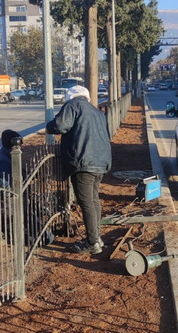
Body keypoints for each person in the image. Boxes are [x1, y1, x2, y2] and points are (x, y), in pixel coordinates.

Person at [46, 85, 112, 255]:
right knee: (94, 200)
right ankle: (96, 238)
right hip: (100, 162)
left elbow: (60, 126)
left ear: (71, 96)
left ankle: (92, 243)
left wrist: (49, 126)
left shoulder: (73, 105)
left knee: (86, 202)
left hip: (83, 162)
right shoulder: (96, 111)